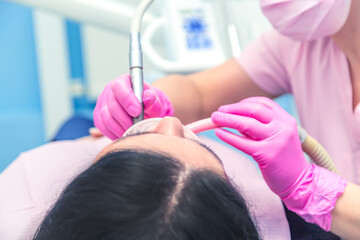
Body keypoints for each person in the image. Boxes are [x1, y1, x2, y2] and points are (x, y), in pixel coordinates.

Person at [93, 0, 360, 239]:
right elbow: (199, 94)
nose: (171, 124)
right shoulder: (299, 45)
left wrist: (310, 187)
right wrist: (145, 99)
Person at [0, 116, 290, 239]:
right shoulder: (286, 220)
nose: (171, 122)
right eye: (199, 146)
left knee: (76, 125)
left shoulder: (17, 198)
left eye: (121, 153)